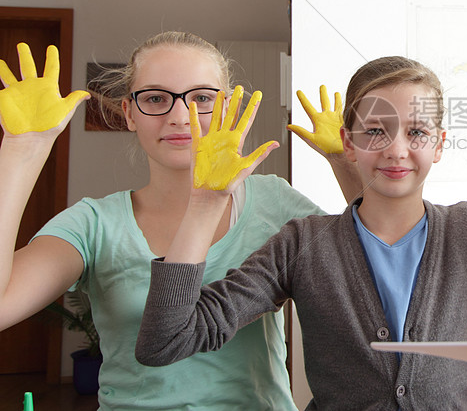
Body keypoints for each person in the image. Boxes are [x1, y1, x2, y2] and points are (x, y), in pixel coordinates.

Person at [134, 56, 467, 410]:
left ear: (438, 146)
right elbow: (165, 341)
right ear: (348, 143)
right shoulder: (302, 244)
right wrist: (204, 203)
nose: (396, 149)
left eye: (416, 132)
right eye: (375, 130)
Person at [0, 33, 360, 411]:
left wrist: (347, 164)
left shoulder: (273, 201)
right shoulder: (93, 224)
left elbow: (371, 262)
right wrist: (23, 149)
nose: (178, 116)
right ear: (129, 113)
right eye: (156, 99)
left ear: (227, 109)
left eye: (201, 99)